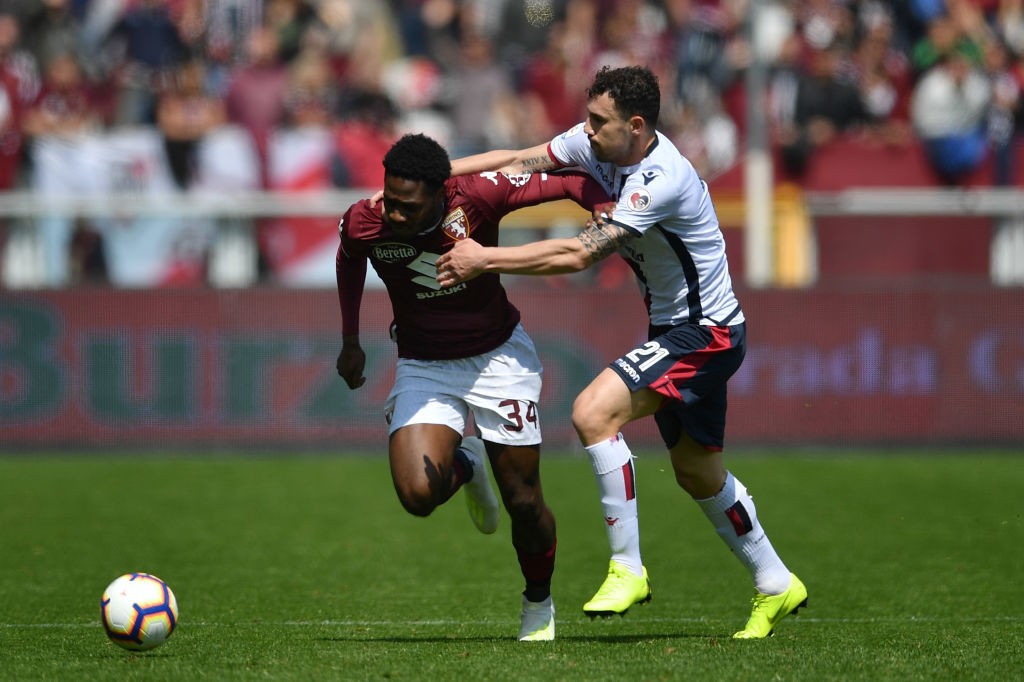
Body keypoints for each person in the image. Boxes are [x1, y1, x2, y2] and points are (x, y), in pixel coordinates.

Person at [435, 65, 808, 639]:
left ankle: (627, 567)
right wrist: (437, 175)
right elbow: (518, 158)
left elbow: (581, 255)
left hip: (704, 333)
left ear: (635, 127)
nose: (584, 131)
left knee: (592, 412)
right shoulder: (596, 145)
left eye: (597, 121)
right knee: (697, 472)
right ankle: (777, 582)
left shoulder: (662, 177)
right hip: (676, 331)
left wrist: (485, 258)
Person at [335, 133, 613, 642]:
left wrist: (607, 214)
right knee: (417, 495)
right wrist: (351, 339)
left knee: (524, 502)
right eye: (390, 201)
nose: (394, 215)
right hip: (424, 362)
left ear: (442, 194)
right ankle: (468, 462)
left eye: (408, 207)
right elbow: (349, 256)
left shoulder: (481, 196)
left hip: (498, 359)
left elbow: (571, 180)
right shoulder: (365, 218)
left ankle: (538, 601)